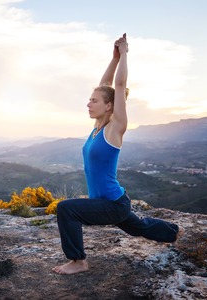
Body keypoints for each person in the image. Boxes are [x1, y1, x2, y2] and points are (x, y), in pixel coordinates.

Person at [52, 33, 182, 275]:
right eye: (88, 100)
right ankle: (175, 232)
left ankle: (78, 261)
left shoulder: (115, 128)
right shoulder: (97, 128)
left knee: (66, 208)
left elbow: (117, 87)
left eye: (93, 101)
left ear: (109, 105)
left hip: (112, 203)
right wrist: (112, 59)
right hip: (110, 202)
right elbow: (105, 86)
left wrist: (124, 55)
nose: (88, 104)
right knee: (138, 227)